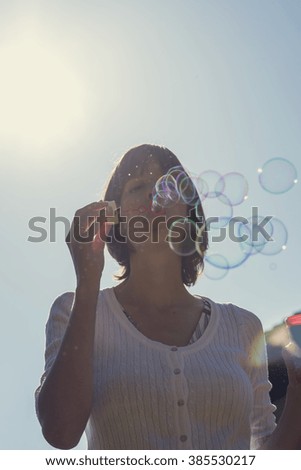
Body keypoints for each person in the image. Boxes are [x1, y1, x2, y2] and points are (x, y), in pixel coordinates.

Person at [35, 144, 301, 450]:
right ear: (115, 217)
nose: (154, 195)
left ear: (189, 210)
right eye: (137, 186)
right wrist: (87, 282)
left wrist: (297, 392)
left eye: (168, 185)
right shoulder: (74, 310)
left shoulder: (242, 326)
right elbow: (60, 431)